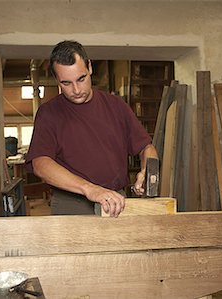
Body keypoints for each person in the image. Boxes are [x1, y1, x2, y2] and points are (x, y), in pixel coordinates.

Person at [25, 40, 158, 217]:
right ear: (57, 79)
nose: (76, 89)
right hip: (72, 204)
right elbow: (40, 164)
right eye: (66, 83)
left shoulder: (116, 106)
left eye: (81, 79)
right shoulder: (49, 113)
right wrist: (90, 189)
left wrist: (148, 171)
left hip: (116, 202)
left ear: (90, 67)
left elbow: (146, 147)